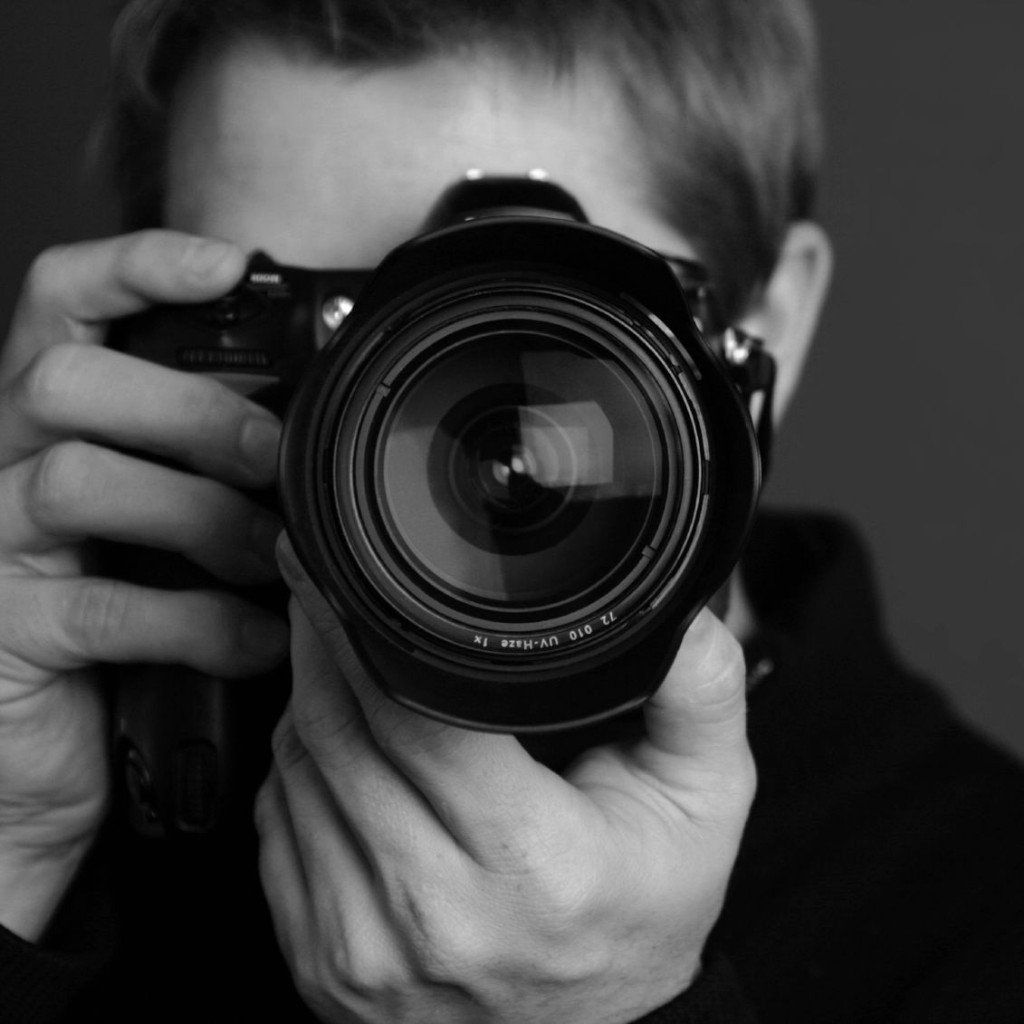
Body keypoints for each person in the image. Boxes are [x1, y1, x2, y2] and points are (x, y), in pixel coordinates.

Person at [1, 1, 1023, 1022]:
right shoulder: (104, 772)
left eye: (516, 324)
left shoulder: (986, 917)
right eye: (316, 321)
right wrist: (15, 850)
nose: (398, 416)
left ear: (768, 329)